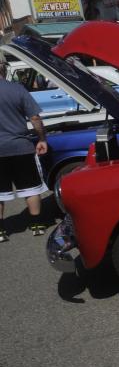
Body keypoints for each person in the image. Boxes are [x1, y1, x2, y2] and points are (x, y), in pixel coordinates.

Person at [0, 59, 49, 242]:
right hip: (21, 147)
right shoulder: (17, 89)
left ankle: (1, 231)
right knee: (30, 188)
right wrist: (42, 138)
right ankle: (37, 224)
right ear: (3, 70)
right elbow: (35, 117)